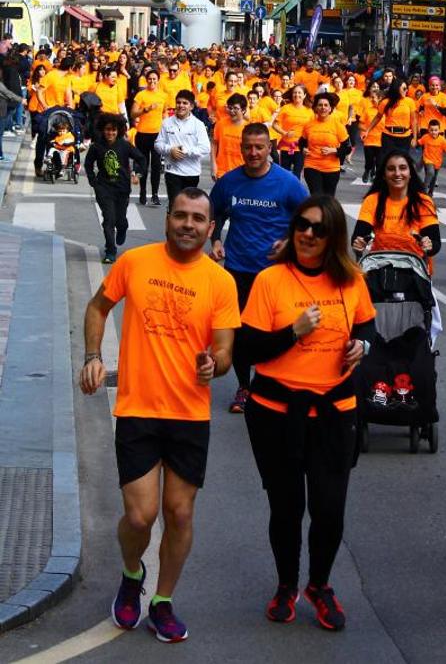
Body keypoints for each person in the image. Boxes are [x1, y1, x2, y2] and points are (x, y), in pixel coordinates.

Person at [80, 188, 240, 642]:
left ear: (211, 228)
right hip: (138, 408)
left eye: (198, 219)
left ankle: (163, 600)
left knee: (180, 513)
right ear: (167, 219)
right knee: (140, 516)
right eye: (181, 216)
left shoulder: (220, 282)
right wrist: (93, 353)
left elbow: (226, 349)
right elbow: (97, 306)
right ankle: (132, 574)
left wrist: (216, 362)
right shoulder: (136, 262)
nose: (188, 225)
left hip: (190, 415)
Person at [240, 195, 376, 630]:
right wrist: (293, 333)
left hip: (336, 411)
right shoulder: (270, 280)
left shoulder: (351, 279)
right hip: (276, 412)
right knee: (286, 509)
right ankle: (286, 585)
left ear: (333, 235)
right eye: (302, 225)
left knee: (330, 508)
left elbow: (366, 325)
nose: (308, 234)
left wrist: (363, 345)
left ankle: (319, 584)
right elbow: (249, 348)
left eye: (318, 228)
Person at [210, 123, 308, 413]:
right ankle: (245, 387)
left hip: (275, 274)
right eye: (248, 147)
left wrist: (290, 242)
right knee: (238, 333)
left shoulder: (288, 183)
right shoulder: (229, 182)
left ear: (269, 149)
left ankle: (276, 384)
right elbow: (214, 212)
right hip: (237, 270)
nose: (253, 152)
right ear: (240, 148)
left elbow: (310, 218)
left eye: (259, 147)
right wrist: (216, 240)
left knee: (277, 333)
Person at [351, 150, 441, 272]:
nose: (397, 173)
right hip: (379, 266)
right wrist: (359, 244)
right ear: (384, 174)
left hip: (415, 268)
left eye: (403, 168)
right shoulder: (372, 200)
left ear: (410, 174)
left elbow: (435, 244)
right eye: (391, 169)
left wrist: (428, 245)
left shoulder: (424, 201)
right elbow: (358, 236)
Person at [84, 113, 147, 263]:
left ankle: (123, 227)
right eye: (107, 130)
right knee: (108, 219)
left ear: (119, 130)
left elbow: (141, 158)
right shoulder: (96, 146)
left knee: (120, 220)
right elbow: (88, 164)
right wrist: (94, 182)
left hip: (122, 188)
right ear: (102, 130)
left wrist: (137, 174)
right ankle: (110, 251)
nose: (110, 133)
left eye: (113, 130)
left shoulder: (124, 145)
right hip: (104, 189)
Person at [154, 90, 210, 207]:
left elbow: (205, 148)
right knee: (174, 206)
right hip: (172, 171)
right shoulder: (166, 123)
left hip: (191, 173)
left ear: (191, 106)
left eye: (185, 103)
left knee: (188, 207)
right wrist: (170, 149)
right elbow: (158, 144)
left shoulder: (198, 125)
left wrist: (186, 151)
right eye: (178, 102)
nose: (181, 106)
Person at [130, 70, 167, 206]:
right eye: (150, 79)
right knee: (143, 164)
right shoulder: (141, 95)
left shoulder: (163, 95)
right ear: (146, 80)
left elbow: (165, 113)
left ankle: (155, 194)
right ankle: (143, 192)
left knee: (156, 165)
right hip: (143, 133)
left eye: (154, 79)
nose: (152, 81)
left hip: (157, 135)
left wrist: (166, 128)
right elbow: (133, 114)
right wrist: (145, 110)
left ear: (158, 80)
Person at [301, 93, 349, 197]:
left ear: (330, 108)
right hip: (312, 165)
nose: (323, 108)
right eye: (320, 105)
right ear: (315, 108)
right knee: (316, 196)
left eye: (326, 105)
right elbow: (302, 142)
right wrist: (303, 149)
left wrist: (334, 150)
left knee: (328, 199)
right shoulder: (309, 125)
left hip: (331, 168)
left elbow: (347, 147)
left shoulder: (337, 125)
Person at [361, 78, 417, 161]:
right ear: (396, 88)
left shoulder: (410, 102)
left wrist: (415, 138)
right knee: (387, 160)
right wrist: (367, 131)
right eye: (404, 88)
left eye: (407, 88)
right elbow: (378, 117)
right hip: (388, 136)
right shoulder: (385, 102)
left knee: (402, 160)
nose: (406, 90)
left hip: (405, 137)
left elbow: (413, 120)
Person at [211, 91, 247, 179]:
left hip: (241, 173)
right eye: (230, 108)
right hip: (222, 172)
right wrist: (213, 165)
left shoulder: (248, 128)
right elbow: (214, 144)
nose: (232, 111)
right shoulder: (220, 124)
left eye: (235, 108)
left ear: (243, 110)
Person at [418, 119, 446, 196]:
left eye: (436, 130)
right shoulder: (425, 137)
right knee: (430, 172)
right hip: (427, 159)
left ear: (439, 130)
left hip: (437, 162)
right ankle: (424, 190)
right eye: (431, 130)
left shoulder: (442, 140)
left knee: (434, 178)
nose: (433, 132)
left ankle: (430, 192)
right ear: (428, 129)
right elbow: (419, 142)